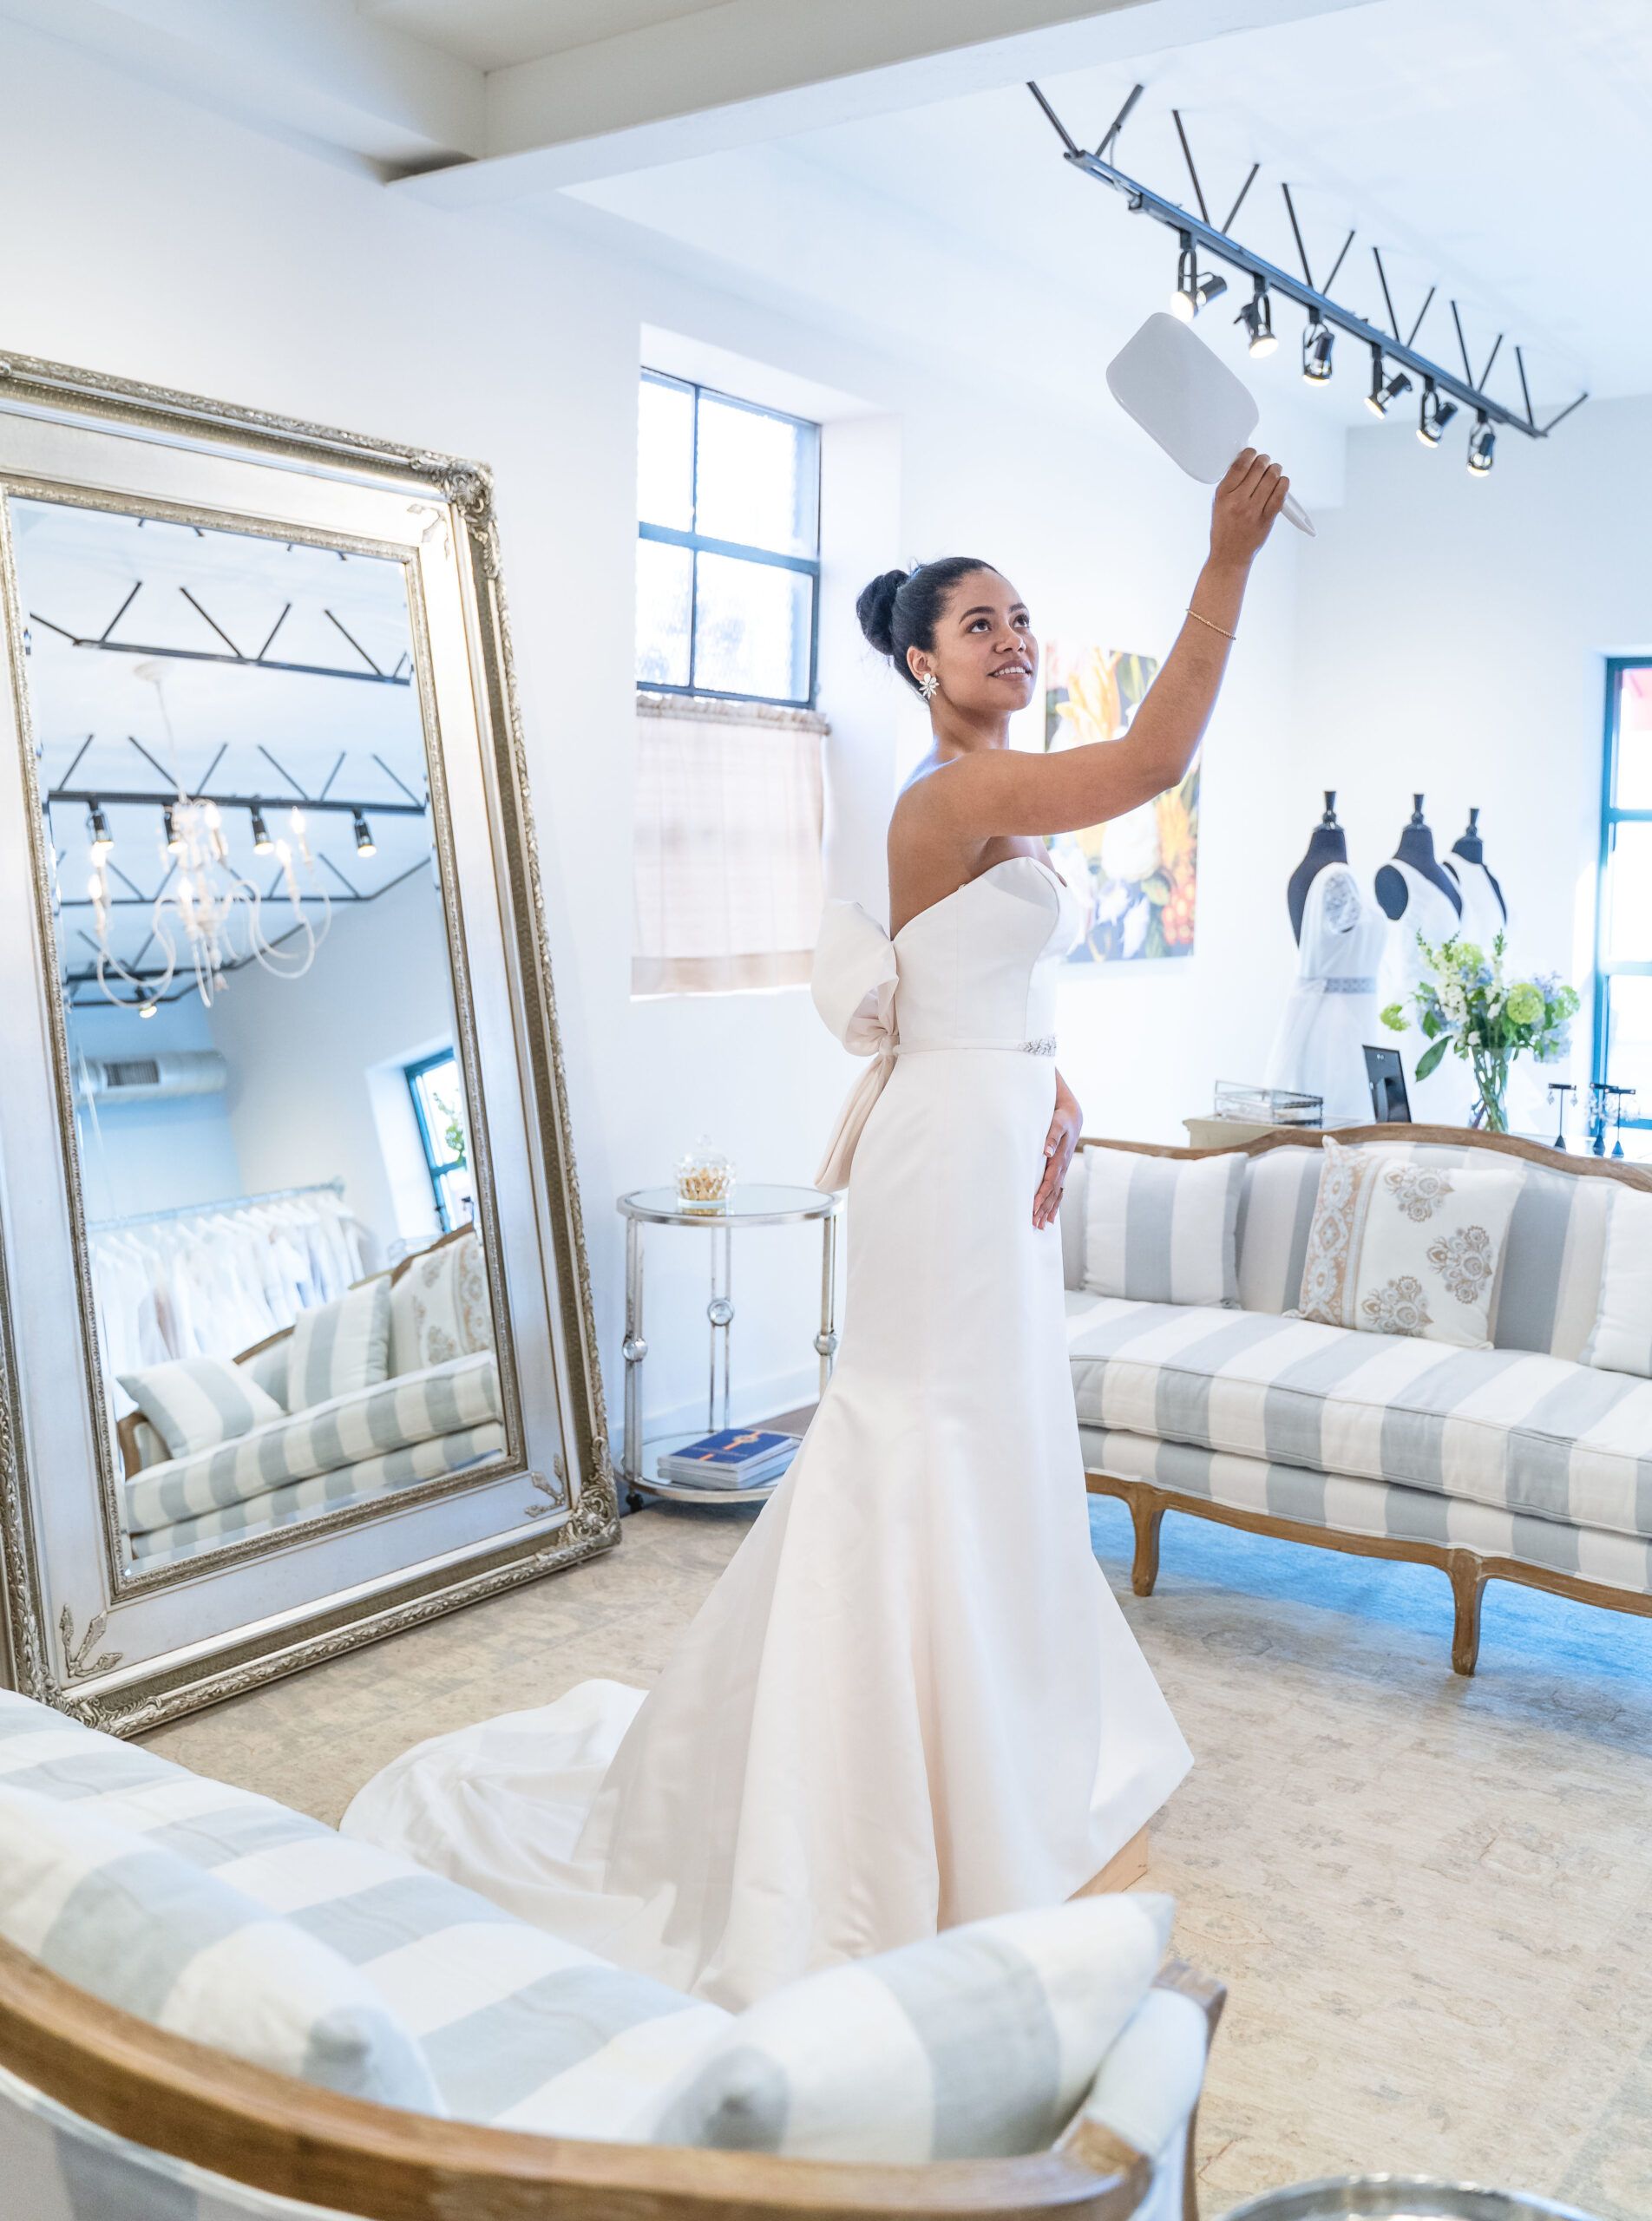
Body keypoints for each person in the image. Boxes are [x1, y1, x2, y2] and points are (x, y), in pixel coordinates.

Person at [340, 448, 1290, 2012]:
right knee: (914, 1434)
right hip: (939, 1167)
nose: (1011, 638)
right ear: (921, 662)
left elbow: (984, 989)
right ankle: (866, 1790)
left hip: (993, 1140)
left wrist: (1055, 1090)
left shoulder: (997, 806)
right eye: (979, 624)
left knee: (983, 1441)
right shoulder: (953, 790)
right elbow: (1152, 765)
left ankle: (981, 1755)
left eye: (1021, 619)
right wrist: (1227, 563)